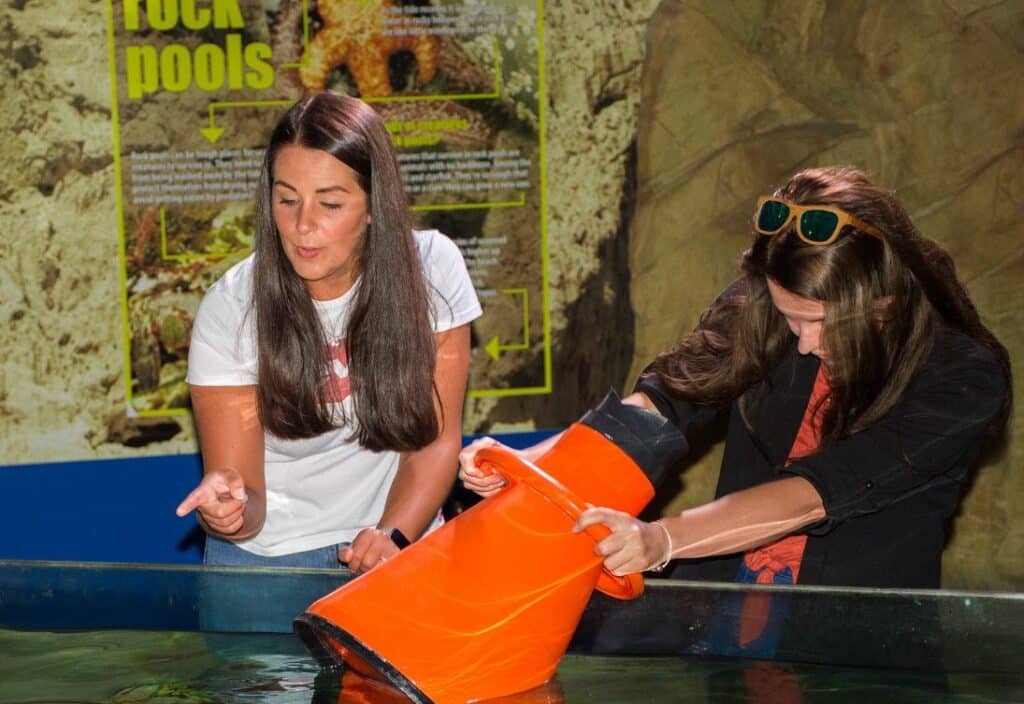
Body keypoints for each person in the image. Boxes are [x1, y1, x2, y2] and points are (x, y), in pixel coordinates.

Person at [459, 167, 1012, 589]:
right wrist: (536, 466)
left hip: (857, 633)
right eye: (788, 315)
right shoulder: (765, 307)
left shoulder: (961, 378)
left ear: (884, 305)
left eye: (817, 322)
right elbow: (666, 401)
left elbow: (813, 496)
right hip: (732, 600)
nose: (801, 341)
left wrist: (661, 539)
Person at [176, 91, 482, 571]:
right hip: (268, 561)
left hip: (400, 534)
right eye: (287, 199)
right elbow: (247, 501)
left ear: (373, 206)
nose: (302, 225)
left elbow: (436, 442)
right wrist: (229, 510)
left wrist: (392, 534)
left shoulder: (433, 268)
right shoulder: (231, 307)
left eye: (331, 203)